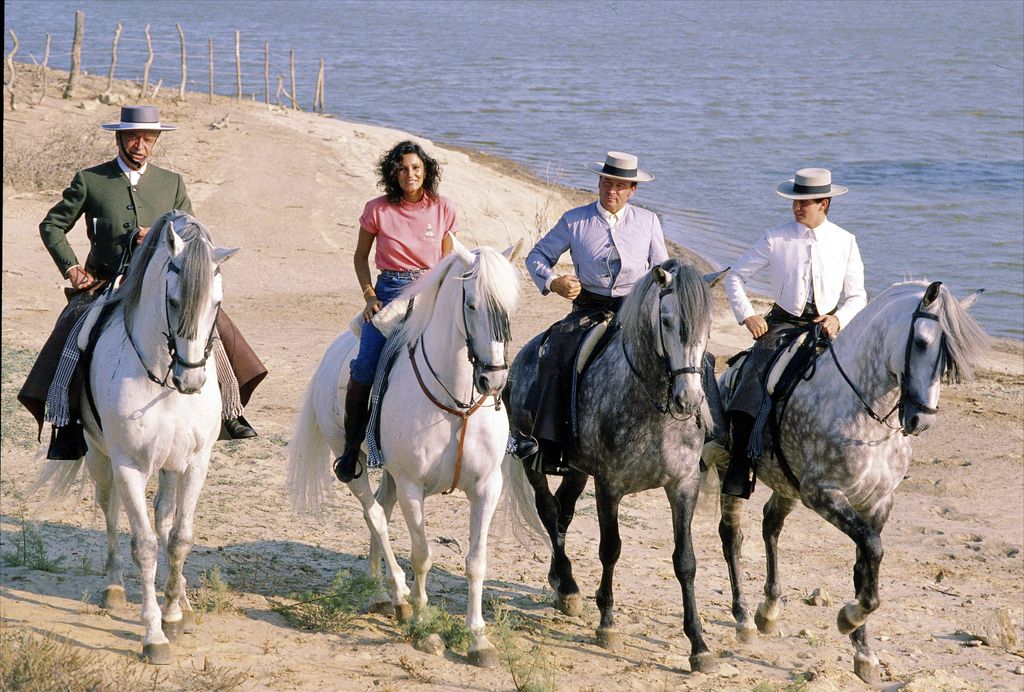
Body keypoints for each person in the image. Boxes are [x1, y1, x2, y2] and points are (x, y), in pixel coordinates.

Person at [18, 105, 267, 460]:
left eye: (148, 139)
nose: (140, 145)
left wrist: (161, 236)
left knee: (213, 323)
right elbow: (52, 226)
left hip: (161, 284)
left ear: (156, 141)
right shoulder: (91, 180)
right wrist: (72, 268)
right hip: (109, 282)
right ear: (119, 138)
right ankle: (67, 421)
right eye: (134, 137)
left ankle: (231, 408)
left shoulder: (172, 182)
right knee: (75, 331)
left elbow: (192, 237)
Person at [511, 151, 668, 473]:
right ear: (599, 183)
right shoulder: (574, 220)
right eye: (607, 183)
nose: (612, 191)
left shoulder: (648, 221)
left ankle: (700, 435)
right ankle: (550, 446)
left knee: (681, 357)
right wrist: (553, 281)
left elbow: (661, 270)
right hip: (588, 307)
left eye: (620, 186)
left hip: (635, 309)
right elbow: (537, 256)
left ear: (632, 190)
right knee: (556, 356)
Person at [721, 167, 867, 498]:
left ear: (824, 203)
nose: (797, 208)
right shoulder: (775, 238)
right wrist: (748, 316)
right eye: (794, 202)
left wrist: (838, 319)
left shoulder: (846, 241)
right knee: (752, 382)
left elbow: (858, 296)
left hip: (827, 327)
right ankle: (740, 468)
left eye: (805, 202)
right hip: (783, 325)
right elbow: (735, 277)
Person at [333, 140, 459, 483]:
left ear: (426, 171)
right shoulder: (377, 209)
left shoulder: (443, 208)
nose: (410, 174)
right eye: (403, 168)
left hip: (431, 290)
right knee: (366, 364)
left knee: (470, 346)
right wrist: (369, 294)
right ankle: (350, 447)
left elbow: (447, 262)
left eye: (416, 168)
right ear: (394, 173)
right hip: (388, 292)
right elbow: (360, 257)